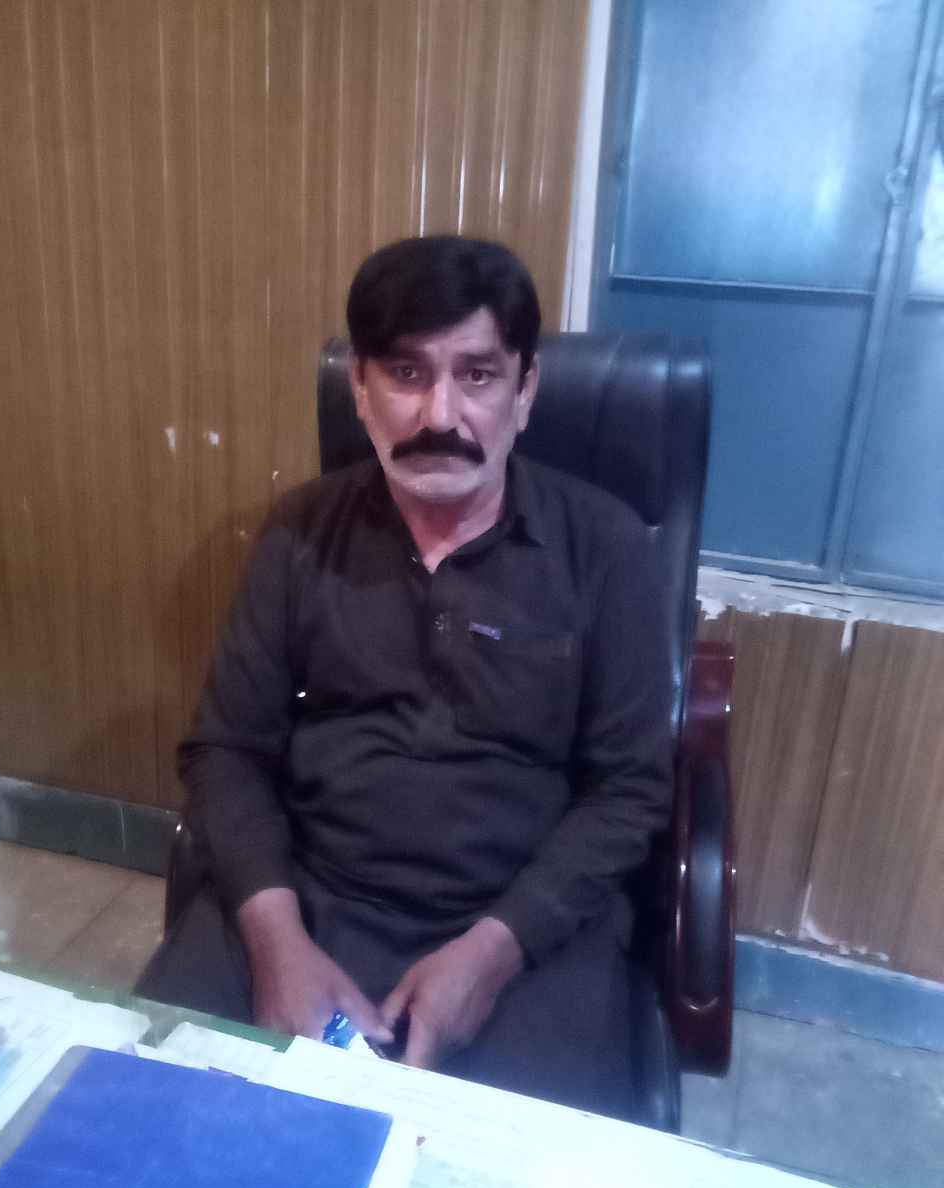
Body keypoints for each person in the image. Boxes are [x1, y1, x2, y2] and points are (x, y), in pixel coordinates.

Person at [138, 235, 672, 1119]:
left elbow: (631, 788)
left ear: (525, 391)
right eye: (406, 373)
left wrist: (493, 953)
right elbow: (226, 750)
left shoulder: (605, 548)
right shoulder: (299, 532)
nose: (441, 415)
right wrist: (276, 940)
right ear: (360, 388)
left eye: (478, 375)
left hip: (526, 924)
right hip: (311, 897)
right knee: (147, 1132)